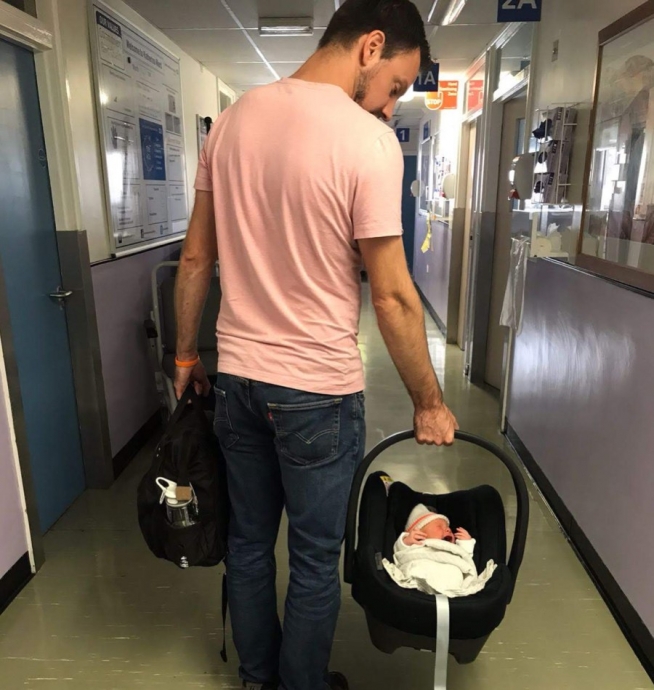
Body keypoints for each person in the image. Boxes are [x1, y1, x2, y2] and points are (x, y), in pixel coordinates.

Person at [173, 1, 458, 688]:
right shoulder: (366, 143)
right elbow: (390, 295)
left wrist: (185, 357)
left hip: (237, 379)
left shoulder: (233, 121)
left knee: (247, 544)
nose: (390, 107)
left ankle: (257, 678)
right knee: (311, 555)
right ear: (371, 46)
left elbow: (194, 260)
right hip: (318, 394)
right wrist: (429, 401)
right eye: (394, 85)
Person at [384, 505, 496, 598]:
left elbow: (465, 558)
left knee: (455, 573)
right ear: (418, 532)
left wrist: (466, 542)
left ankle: (451, 589)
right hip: (421, 568)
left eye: (449, 528)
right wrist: (405, 540)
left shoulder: (451, 548)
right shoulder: (417, 545)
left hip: (451, 575)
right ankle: (421, 584)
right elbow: (401, 555)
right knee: (417, 569)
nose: (448, 529)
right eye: (439, 526)